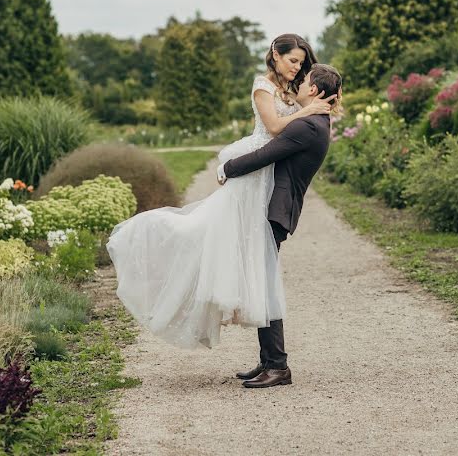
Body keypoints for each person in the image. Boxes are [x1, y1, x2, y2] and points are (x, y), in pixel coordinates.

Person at [106, 33, 336, 362]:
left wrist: (315, 104)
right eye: (292, 61)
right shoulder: (264, 85)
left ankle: (272, 361)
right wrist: (307, 109)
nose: (296, 68)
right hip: (254, 174)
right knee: (209, 238)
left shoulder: (296, 94)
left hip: (266, 180)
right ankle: (269, 359)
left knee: (256, 266)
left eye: (301, 63)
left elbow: (305, 119)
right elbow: (273, 128)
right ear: (275, 53)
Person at [219, 61, 342, 388]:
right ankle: (267, 361)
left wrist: (226, 168)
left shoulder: (309, 126)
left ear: (314, 90)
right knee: (262, 279)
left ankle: (278, 366)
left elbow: (265, 154)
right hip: (276, 207)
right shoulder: (317, 122)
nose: (298, 84)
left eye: (305, 82)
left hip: (276, 210)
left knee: (265, 283)